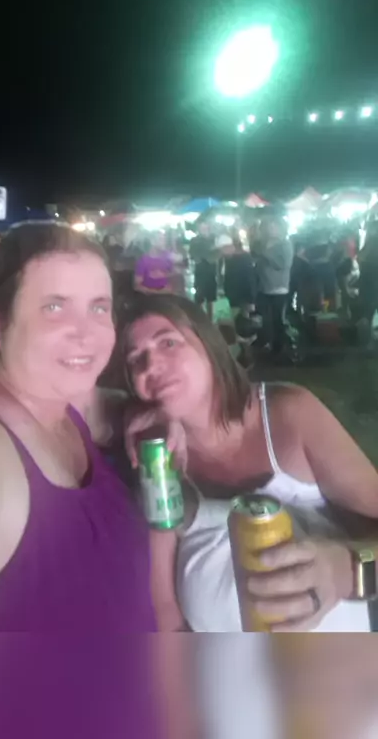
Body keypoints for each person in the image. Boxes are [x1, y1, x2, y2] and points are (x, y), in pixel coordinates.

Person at [0, 223, 167, 739]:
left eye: (99, 307)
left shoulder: (66, 408)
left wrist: (152, 415)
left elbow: (111, 409)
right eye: (54, 307)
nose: (86, 332)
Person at [120, 293, 378, 634]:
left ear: (209, 344)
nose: (151, 366)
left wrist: (344, 571)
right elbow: (165, 610)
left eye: (168, 342)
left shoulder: (288, 415)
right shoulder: (158, 461)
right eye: (136, 359)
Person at [253, 216, 293, 354]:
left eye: (274, 226)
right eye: (269, 227)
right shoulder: (262, 244)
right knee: (265, 319)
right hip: (263, 287)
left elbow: (283, 264)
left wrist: (265, 254)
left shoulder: (285, 245)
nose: (271, 230)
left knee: (277, 320)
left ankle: (279, 347)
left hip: (279, 288)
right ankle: (267, 343)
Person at [189, 222, 217, 321]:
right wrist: (200, 258)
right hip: (200, 272)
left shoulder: (213, 239)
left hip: (211, 273)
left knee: (211, 298)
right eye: (202, 228)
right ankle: (200, 319)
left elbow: (216, 254)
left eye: (205, 228)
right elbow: (192, 254)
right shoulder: (195, 240)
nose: (204, 230)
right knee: (199, 297)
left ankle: (210, 319)